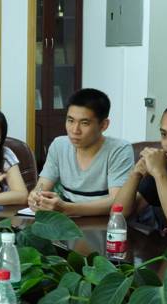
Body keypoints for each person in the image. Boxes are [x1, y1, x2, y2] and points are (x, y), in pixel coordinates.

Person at [28, 88, 134, 216]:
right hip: (68, 221)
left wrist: (67, 209)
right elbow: (42, 187)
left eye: (84, 123)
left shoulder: (119, 150)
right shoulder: (59, 145)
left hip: (105, 222)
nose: (75, 130)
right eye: (70, 121)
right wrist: (35, 196)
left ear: (104, 125)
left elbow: (117, 203)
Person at [114, 97, 167, 241]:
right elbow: (118, 214)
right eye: (164, 134)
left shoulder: (161, 171)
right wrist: (136, 173)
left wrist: (159, 173)